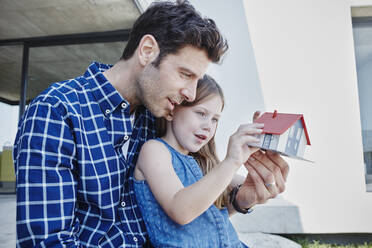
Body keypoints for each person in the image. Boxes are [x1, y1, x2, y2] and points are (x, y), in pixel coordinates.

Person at [13, 0, 288, 247]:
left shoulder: (160, 115)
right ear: (147, 51)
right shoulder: (57, 111)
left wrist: (243, 198)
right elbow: (47, 242)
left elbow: (186, 205)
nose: (191, 95)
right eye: (185, 74)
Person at [134, 75, 263, 247]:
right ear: (172, 110)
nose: (209, 126)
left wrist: (261, 180)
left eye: (215, 119)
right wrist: (231, 161)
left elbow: (215, 216)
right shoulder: (155, 151)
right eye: (201, 113)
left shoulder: (204, 162)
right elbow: (181, 210)